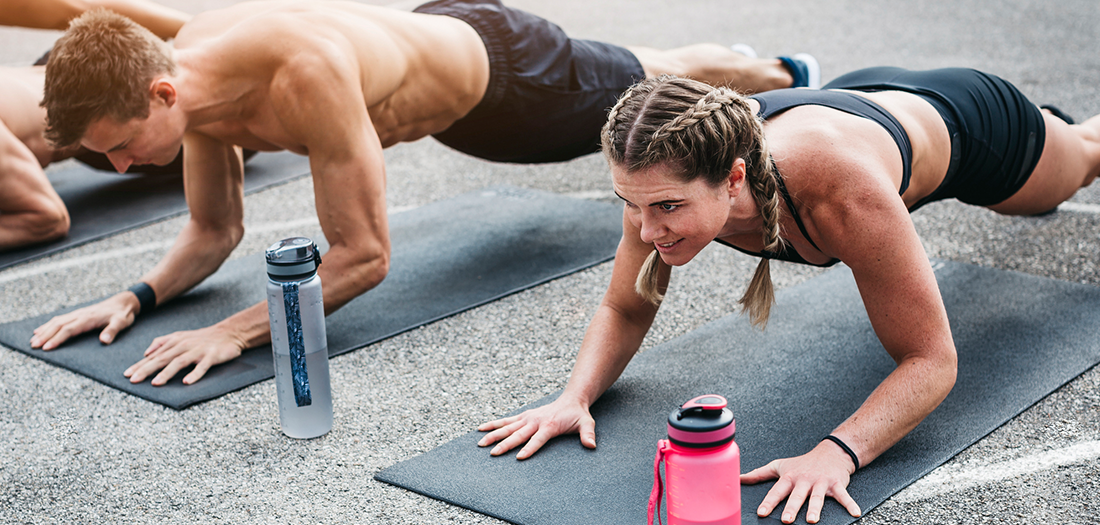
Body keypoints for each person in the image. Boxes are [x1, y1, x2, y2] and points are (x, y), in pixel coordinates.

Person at [28, 0, 820, 385]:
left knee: (656, 75)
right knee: (643, 58)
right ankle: (758, 69)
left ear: (162, 94)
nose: (124, 167)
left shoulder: (301, 73)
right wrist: (136, 295)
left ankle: (785, 80)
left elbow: (365, 255)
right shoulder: (192, 88)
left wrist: (233, 333)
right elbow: (212, 229)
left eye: (123, 146)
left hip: (508, 84)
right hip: (447, 77)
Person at [475, 69, 1099, 523]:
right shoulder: (659, 182)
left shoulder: (839, 192)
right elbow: (626, 303)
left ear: (735, 177)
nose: (647, 231)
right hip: (855, 96)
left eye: (667, 208)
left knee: (1079, 162)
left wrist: (838, 454)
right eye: (631, 206)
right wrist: (573, 396)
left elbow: (932, 360)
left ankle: (1058, 133)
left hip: (967, 121)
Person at [0, 0, 191, 250]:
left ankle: (197, 31)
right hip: (58, 92)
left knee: (218, 115)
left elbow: (48, 218)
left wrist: (191, 29)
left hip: (104, 121)